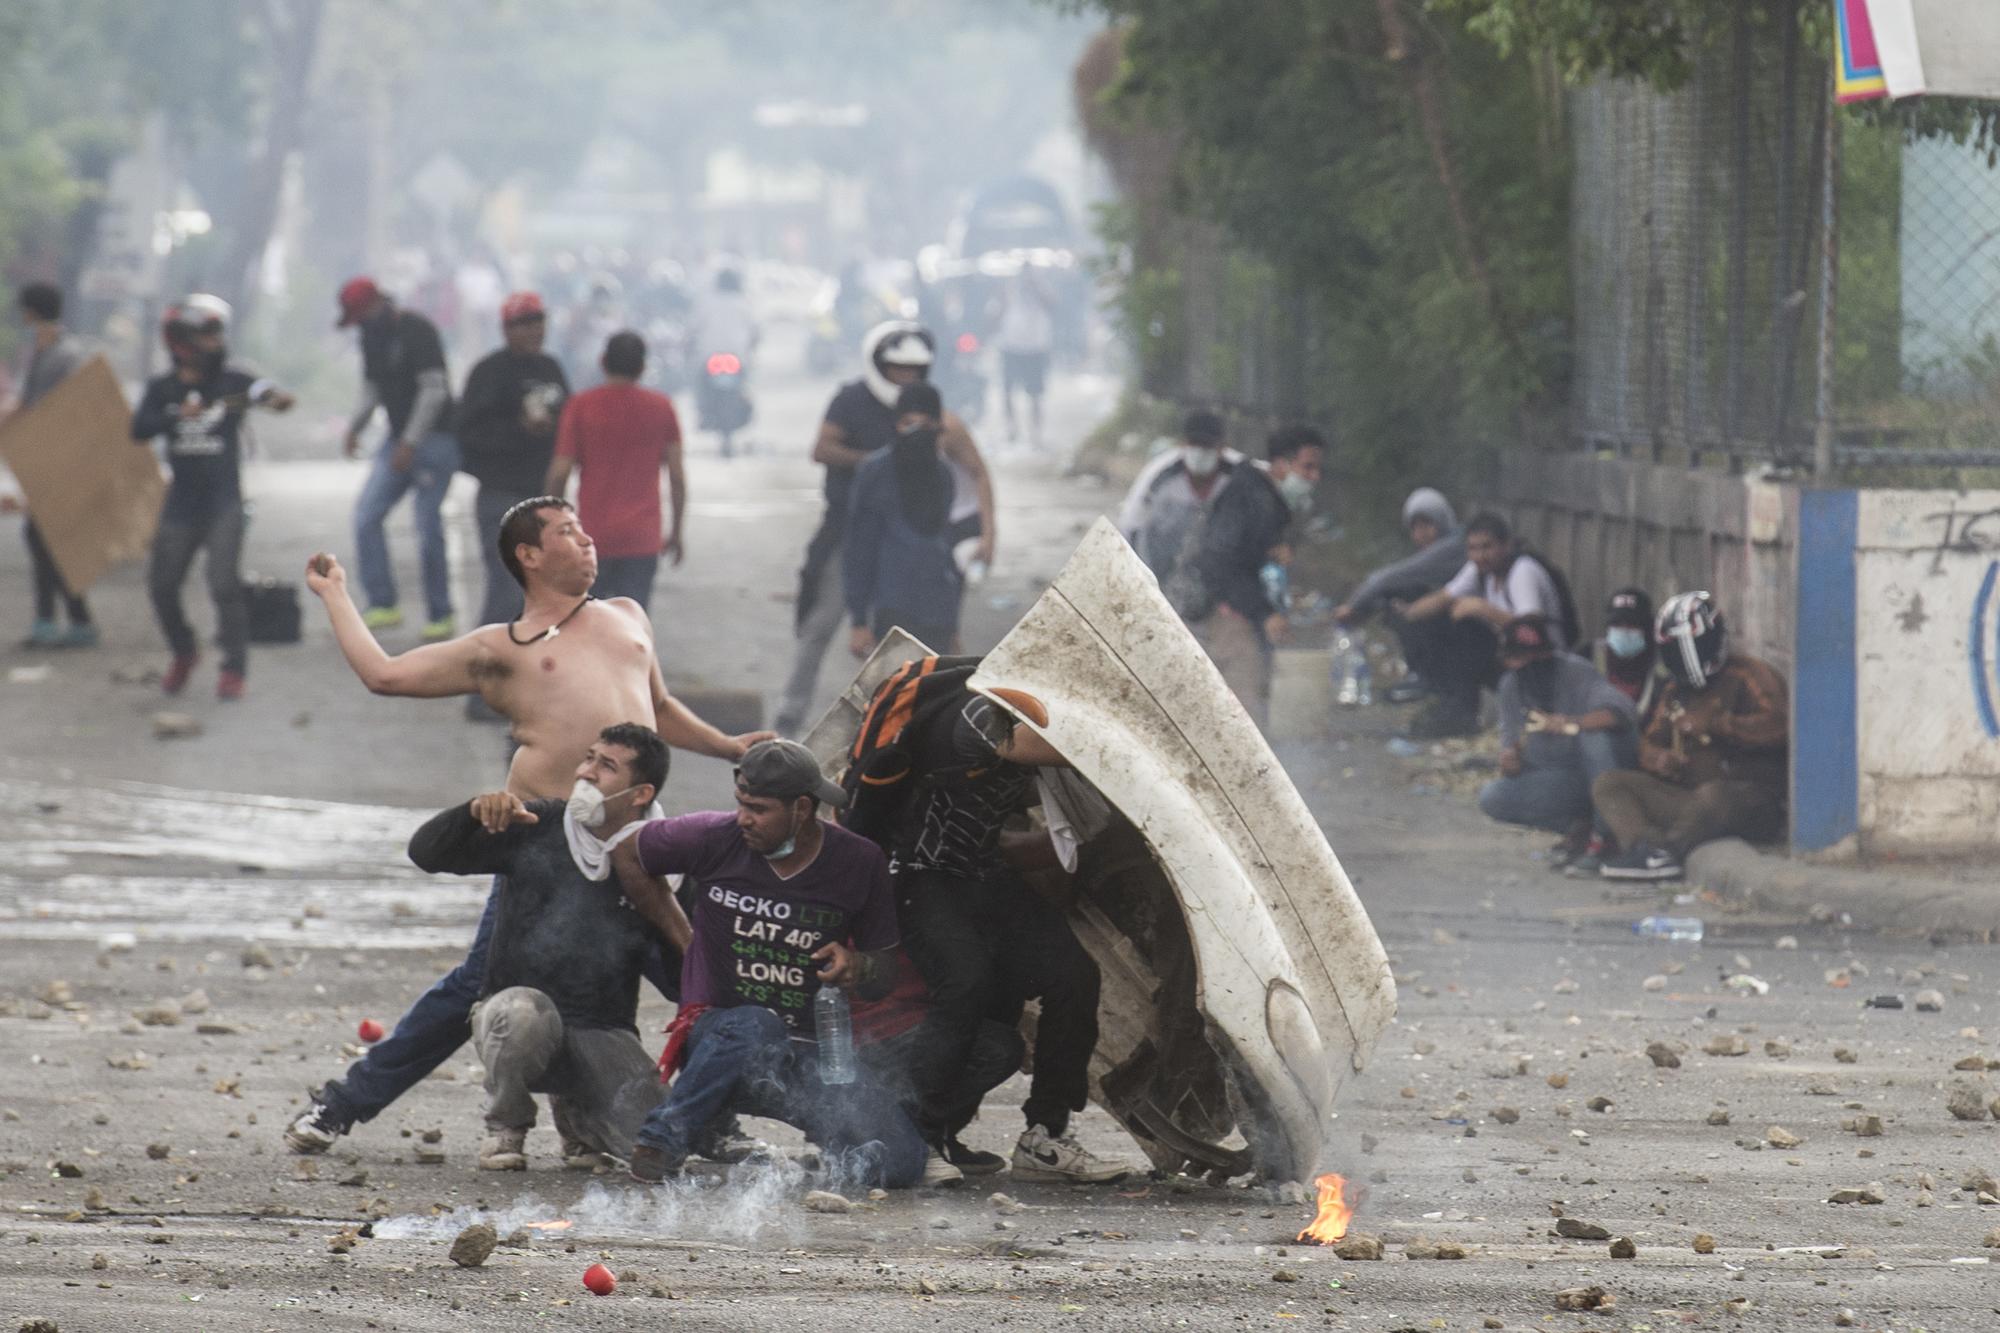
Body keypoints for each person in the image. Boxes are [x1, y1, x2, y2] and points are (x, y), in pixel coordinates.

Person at [285, 496, 769, 1154]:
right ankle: (340, 1104)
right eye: (568, 532)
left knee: (695, 975)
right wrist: (335, 592)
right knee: (476, 986)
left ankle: (714, 1122)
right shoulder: (500, 649)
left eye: (584, 527)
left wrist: (730, 746)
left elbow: (657, 707)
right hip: (544, 846)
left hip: (639, 842)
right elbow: (385, 674)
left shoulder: (628, 617)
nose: (588, 540)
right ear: (530, 556)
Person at [615, 740, 926, 1190]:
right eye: (741, 804)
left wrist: (857, 965)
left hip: (808, 1055)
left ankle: (834, 1150)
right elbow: (627, 851)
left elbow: (884, 974)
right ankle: (663, 1140)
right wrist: (686, 939)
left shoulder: (859, 862)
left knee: (901, 1164)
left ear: (802, 809)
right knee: (754, 1023)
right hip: (718, 1039)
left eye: (758, 809)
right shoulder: (714, 837)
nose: (744, 818)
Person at [885, 687, 1135, 1185]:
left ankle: (1044, 1136)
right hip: (922, 875)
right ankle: (921, 1137)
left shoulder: (1049, 721)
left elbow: (1009, 837)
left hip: (984, 873)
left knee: (1074, 976)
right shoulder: (981, 708)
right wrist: (1132, 737)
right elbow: (1016, 747)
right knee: (966, 980)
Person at [406, 725, 677, 1170]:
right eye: (588, 758)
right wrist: (472, 813)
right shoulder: (540, 824)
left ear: (640, 794)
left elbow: (678, 980)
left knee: (659, 1150)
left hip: (601, 1029)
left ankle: (579, 1120)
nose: (586, 773)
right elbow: (427, 854)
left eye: (606, 766)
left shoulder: (660, 859)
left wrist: (668, 905)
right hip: (519, 1018)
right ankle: (507, 1126)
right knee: (522, 1017)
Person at [774, 321, 996, 736]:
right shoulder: (853, 405)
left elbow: (966, 492)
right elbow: (823, 449)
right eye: (898, 368)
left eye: (914, 370)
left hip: (912, 563)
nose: (905, 376)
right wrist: (882, 465)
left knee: (909, 661)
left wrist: (986, 537)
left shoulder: (941, 451)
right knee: (822, 623)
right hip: (851, 531)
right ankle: (790, 716)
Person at [129, 295, 295, 699]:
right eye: (206, 334)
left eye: (217, 333)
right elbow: (139, 429)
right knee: (162, 586)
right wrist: (175, 416)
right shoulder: (163, 389)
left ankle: (234, 668)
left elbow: (269, 394)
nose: (215, 342)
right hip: (181, 504)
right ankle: (184, 651)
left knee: (223, 583)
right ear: (182, 340)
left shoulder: (233, 382)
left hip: (224, 503)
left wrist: (273, 397)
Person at [1591, 592, 1789, 881]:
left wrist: (1718, 725)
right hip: (1689, 800)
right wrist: (1658, 759)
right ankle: (1649, 849)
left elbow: (1778, 727)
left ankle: (1671, 849)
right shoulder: (1674, 691)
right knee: (1609, 784)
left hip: (1747, 798)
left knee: (1714, 796)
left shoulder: (1750, 675)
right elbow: (1647, 743)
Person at [1174, 425, 1325, 730]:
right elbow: (1221, 562)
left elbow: (1245, 553)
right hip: (1226, 614)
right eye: (1307, 467)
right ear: (1281, 464)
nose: (1314, 477)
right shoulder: (1250, 496)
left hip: (1234, 609)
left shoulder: (1264, 497)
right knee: (1244, 715)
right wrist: (1264, 612)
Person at [337, 276, 459, 641]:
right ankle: (383, 602)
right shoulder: (370, 337)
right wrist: (354, 427)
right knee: (366, 516)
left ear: (378, 304)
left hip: (435, 438)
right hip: (397, 437)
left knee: (427, 526)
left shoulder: (417, 330)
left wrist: (410, 441)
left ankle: (441, 611)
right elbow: (373, 387)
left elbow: (434, 390)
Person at [1476, 616, 1637, 867]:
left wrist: (1571, 724)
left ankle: (1607, 834)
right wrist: (1511, 760)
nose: (1531, 669)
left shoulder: (1576, 672)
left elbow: (1621, 711)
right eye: (1520, 661)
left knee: (1594, 738)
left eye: (1537, 660)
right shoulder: (1511, 688)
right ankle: (1578, 828)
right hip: (1563, 780)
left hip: (1598, 772)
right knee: (1493, 797)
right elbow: (1510, 753)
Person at [544, 330, 684, 611]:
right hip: (642, 539)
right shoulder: (661, 407)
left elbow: (559, 474)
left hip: (591, 538)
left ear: (602, 361)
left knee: (585, 626)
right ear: (643, 367)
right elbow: (677, 478)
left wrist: (551, 528)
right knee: (631, 629)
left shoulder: (581, 407)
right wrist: (677, 532)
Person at [456, 292, 569, 637]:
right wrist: (517, 429)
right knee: (506, 591)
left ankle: (525, 678)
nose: (534, 331)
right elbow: (467, 434)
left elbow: (570, 422)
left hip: (541, 495)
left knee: (540, 595)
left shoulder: (550, 369)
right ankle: (482, 678)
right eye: (524, 324)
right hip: (501, 495)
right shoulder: (489, 373)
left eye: (538, 323)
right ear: (506, 330)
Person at [1394, 512, 1564, 738]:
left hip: (1541, 664)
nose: (1480, 556)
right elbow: (1443, 598)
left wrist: (1483, 609)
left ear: (1506, 546)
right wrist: (1405, 615)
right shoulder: (1480, 571)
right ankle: (1450, 704)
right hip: (1508, 657)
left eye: (1487, 547)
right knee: (1442, 622)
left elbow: (1531, 632)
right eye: (1473, 548)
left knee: (1466, 630)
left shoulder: (1523, 571)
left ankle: (1464, 713)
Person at [6, 283, 97, 648]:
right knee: (42, 538)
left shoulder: (66, 354)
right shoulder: (42, 352)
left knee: (48, 539)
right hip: (44, 459)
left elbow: (64, 407)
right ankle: (62, 619)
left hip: (62, 461)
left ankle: (69, 620)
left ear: (32, 312)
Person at [844, 382, 963, 656]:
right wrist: (859, 620)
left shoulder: (943, 474)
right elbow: (860, 548)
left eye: (926, 424)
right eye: (909, 423)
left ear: (938, 426)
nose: (917, 432)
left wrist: (953, 623)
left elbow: (946, 548)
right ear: (897, 424)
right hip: (892, 605)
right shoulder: (875, 472)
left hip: (938, 608)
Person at [1332, 487, 1466, 703]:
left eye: (1427, 525)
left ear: (1442, 521)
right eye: (1415, 527)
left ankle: (1428, 679)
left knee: (1403, 605)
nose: (1421, 534)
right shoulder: (1448, 546)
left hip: (1474, 633)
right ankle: (1423, 676)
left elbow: (1388, 577)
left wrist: (1354, 605)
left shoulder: (1452, 547)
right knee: (1399, 597)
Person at [1115, 410, 1241, 579]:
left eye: (1208, 445)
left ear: (1222, 448)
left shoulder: (1241, 474)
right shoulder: (1159, 474)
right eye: (1195, 444)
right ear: (1183, 445)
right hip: (1161, 567)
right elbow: (1130, 523)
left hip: (1222, 572)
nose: (1201, 452)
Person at [996, 267, 1055, 446]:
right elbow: (996, 312)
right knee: (1007, 392)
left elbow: (1053, 305)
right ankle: (1012, 429)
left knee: (1035, 394)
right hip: (1011, 346)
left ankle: (1035, 433)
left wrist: (1036, 286)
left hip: (1035, 347)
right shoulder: (1008, 288)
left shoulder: (1041, 288)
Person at [1591, 587, 1669, 720]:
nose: (1624, 631)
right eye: (1617, 625)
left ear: (1647, 629)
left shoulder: (1663, 668)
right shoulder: (1589, 658)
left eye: (1632, 625)